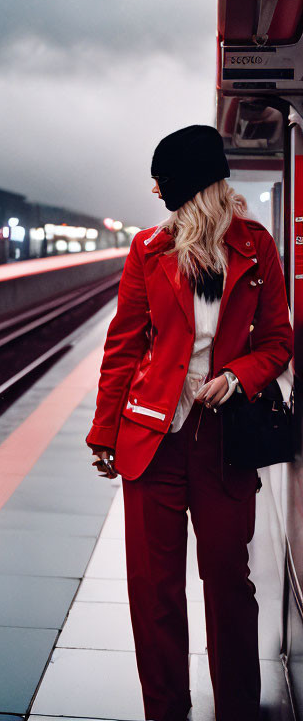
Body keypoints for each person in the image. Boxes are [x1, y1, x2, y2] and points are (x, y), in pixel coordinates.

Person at [85, 125, 293, 721]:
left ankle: (237, 711)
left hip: (224, 446)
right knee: (154, 596)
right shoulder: (149, 249)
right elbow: (123, 347)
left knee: (229, 585)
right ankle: (166, 713)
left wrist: (239, 375)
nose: (154, 191)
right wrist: (105, 433)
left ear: (196, 185)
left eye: (164, 180)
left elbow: (277, 341)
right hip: (154, 441)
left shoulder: (256, 247)